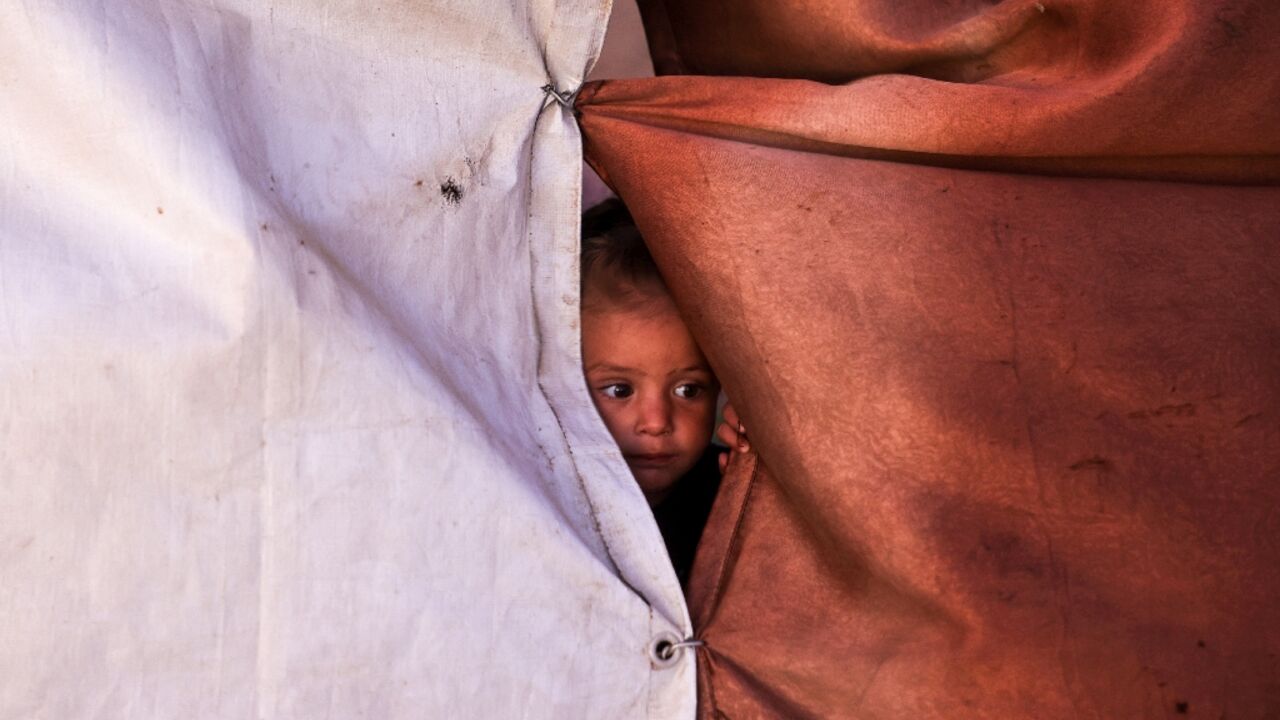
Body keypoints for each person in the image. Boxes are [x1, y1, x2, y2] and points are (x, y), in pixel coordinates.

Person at [579, 199, 733, 588]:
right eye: (619, 389)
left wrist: (760, 489)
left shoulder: (726, 491)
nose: (657, 422)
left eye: (688, 389)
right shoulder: (536, 495)